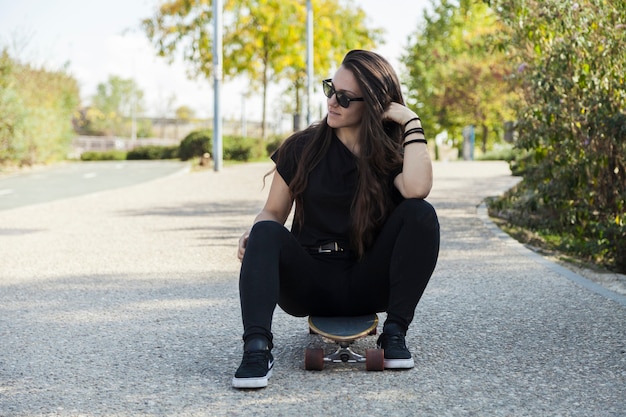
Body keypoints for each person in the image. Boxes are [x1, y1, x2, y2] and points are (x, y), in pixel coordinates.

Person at [232, 50, 440, 389]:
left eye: (344, 97)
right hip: (310, 283)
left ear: (374, 105)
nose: (332, 101)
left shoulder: (391, 154)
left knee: (421, 214)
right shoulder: (302, 148)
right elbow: (273, 212)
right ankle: (256, 350)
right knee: (266, 231)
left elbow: (417, 189)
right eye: (331, 88)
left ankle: (394, 335)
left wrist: (411, 121)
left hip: (369, 280)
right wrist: (256, 236)